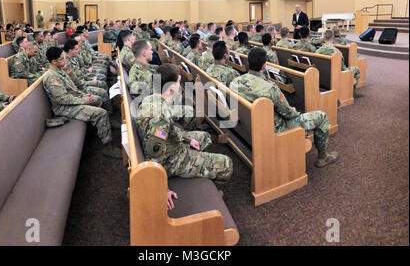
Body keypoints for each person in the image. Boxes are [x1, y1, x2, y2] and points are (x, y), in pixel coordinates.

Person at [229, 47, 338, 168]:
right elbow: (289, 114)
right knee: (321, 116)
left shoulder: (235, 82)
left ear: (248, 63)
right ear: (264, 66)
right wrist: (297, 113)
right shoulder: (270, 88)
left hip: (250, 127)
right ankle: (323, 157)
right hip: (275, 130)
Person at [135, 63, 233, 193]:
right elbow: (154, 154)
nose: (179, 85)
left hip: (172, 145)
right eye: (178, 82)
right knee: (227, 164)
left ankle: (202, 168)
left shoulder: (150, 99)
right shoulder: (160, 119)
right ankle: (213, 191)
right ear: (171, 89)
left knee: (205, 137)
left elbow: (168, 130)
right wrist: (163, 189)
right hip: (173, 160)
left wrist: (187, 139)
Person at [43, 47, 121, 158]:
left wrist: (83, 95)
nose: (65, 60)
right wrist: (84, 100)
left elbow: (72, 88)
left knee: (98, 99)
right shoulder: (51, 77)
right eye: (61, 59)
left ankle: (104, 125)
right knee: (101, 113)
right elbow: (63, 99)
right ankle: (108, 146)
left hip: (72, 100)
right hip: (63, 108)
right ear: (53, 61)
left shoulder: (59, 70)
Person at [315, 29, 361, 98]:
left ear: (324, 38)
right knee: (356, 69)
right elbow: (343, 69)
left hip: (323, 78)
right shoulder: (336, 52)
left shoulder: (317, 52)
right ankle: (352, 93)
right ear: (333, 38)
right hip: (336, 77)